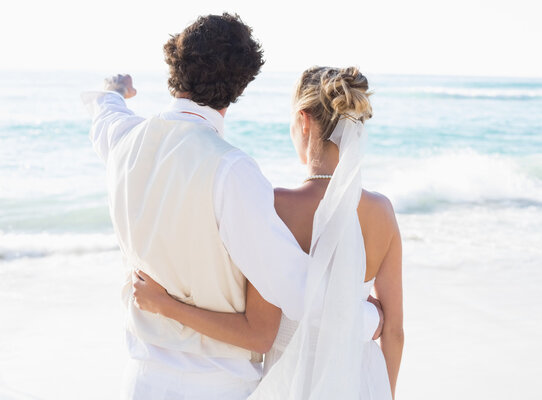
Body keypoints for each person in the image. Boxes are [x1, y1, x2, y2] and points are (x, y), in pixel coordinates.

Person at [81, 13, 382, 400]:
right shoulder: (231, 170)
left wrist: (113, 90)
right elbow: (293, 285)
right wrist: (370, 320)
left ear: (174, 65)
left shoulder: (124, 142)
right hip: (215, 386)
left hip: (140, 381)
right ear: (240, 87)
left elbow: (105, 117)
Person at [132, 66, 404, 399]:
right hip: (362, 383)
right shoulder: (383, 212)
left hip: (292, 385)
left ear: (303, 120)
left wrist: (165, 305)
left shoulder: (274, 206)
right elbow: (394, 331)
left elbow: (255, 333)